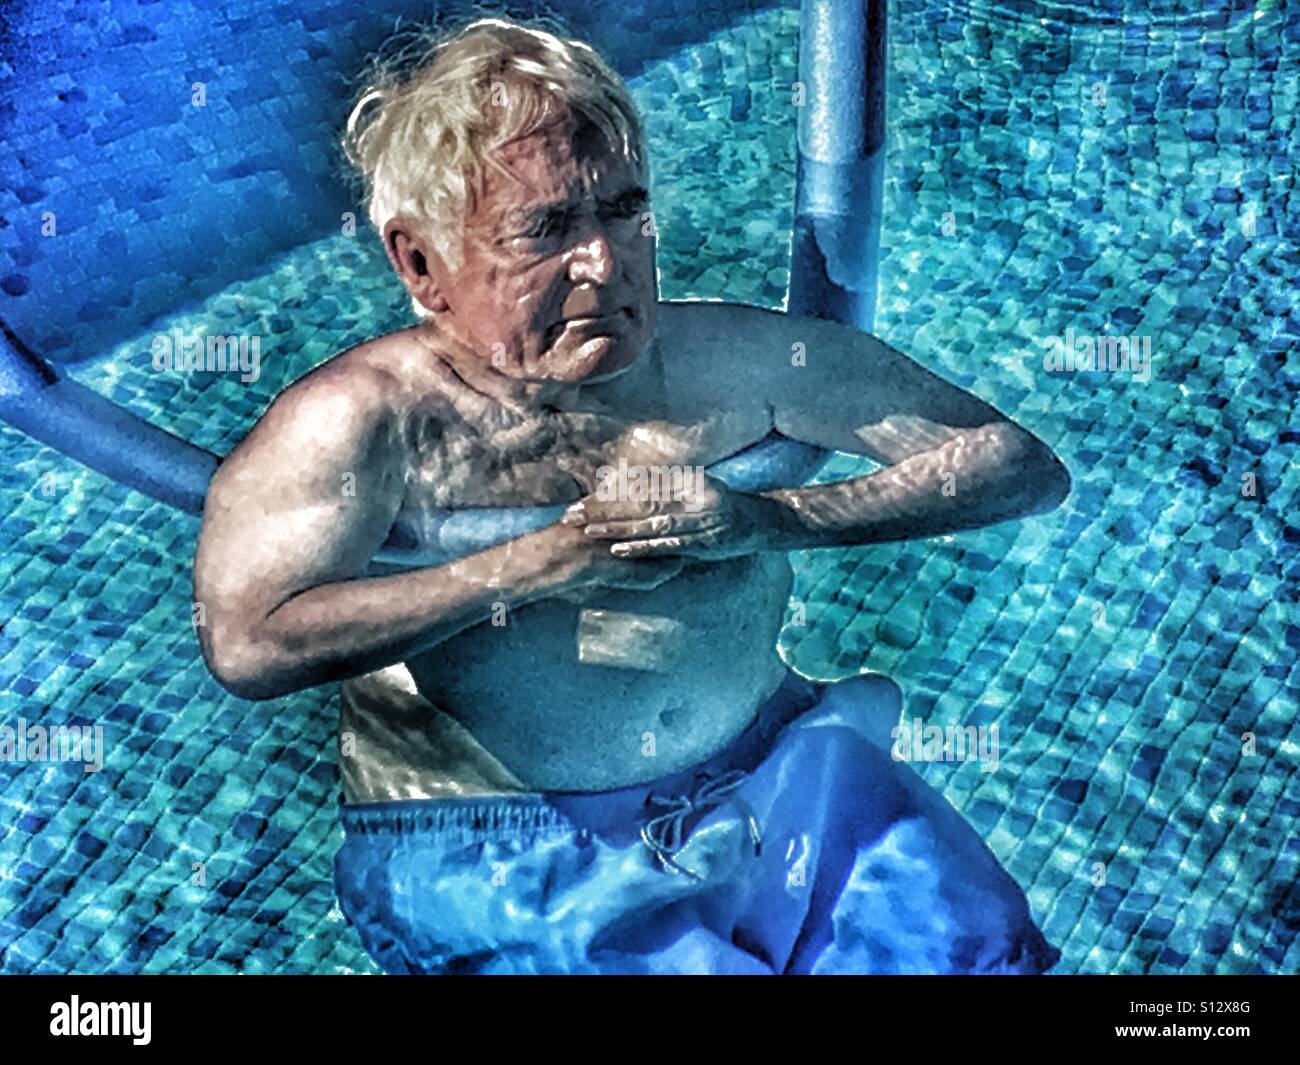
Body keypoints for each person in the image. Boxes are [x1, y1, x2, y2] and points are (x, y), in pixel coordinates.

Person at [193, 16, 1069, 974]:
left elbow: (1014, 464)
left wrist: (768, 519)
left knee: (982, 952)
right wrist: (544, 560)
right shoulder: (363, 423)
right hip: (502, 845)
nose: (605, 264)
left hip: (779, 771)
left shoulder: (730, 361)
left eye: (623, 210)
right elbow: (249, 639)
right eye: (547, 229)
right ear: (419, 264)